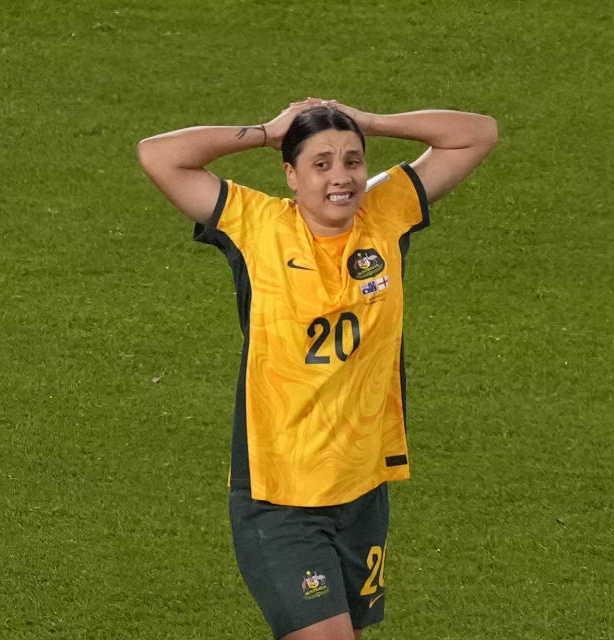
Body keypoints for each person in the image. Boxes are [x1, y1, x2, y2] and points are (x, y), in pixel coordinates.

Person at [137, 98, 497, 640]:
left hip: (361, 490)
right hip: (281, 497)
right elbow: (159, 155)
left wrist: (366, 121)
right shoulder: (255, 227)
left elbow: (477, 133)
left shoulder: (386, 210)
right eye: (321, 163)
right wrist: (266, 131)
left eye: (353, 160)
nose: (342, 177)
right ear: (291, 174)